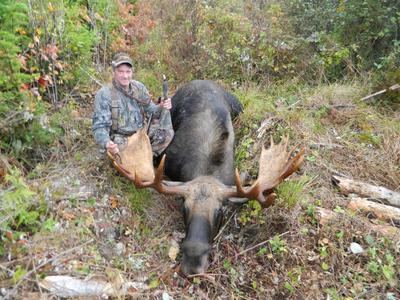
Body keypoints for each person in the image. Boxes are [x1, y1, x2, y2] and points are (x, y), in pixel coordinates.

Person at [92, 52, 174, 158]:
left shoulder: (139, 88)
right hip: (121, 139)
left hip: (141, 134)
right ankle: (136, 159)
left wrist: (162, 106)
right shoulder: (104, 94)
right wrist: (107, 143)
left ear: (132, 72)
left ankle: (149, 158)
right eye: (120, 71)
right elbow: (99, 126)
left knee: (166, 135)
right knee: (118, 152)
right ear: (114, 71)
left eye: (128, 71)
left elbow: (153, 111)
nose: (125, 76)